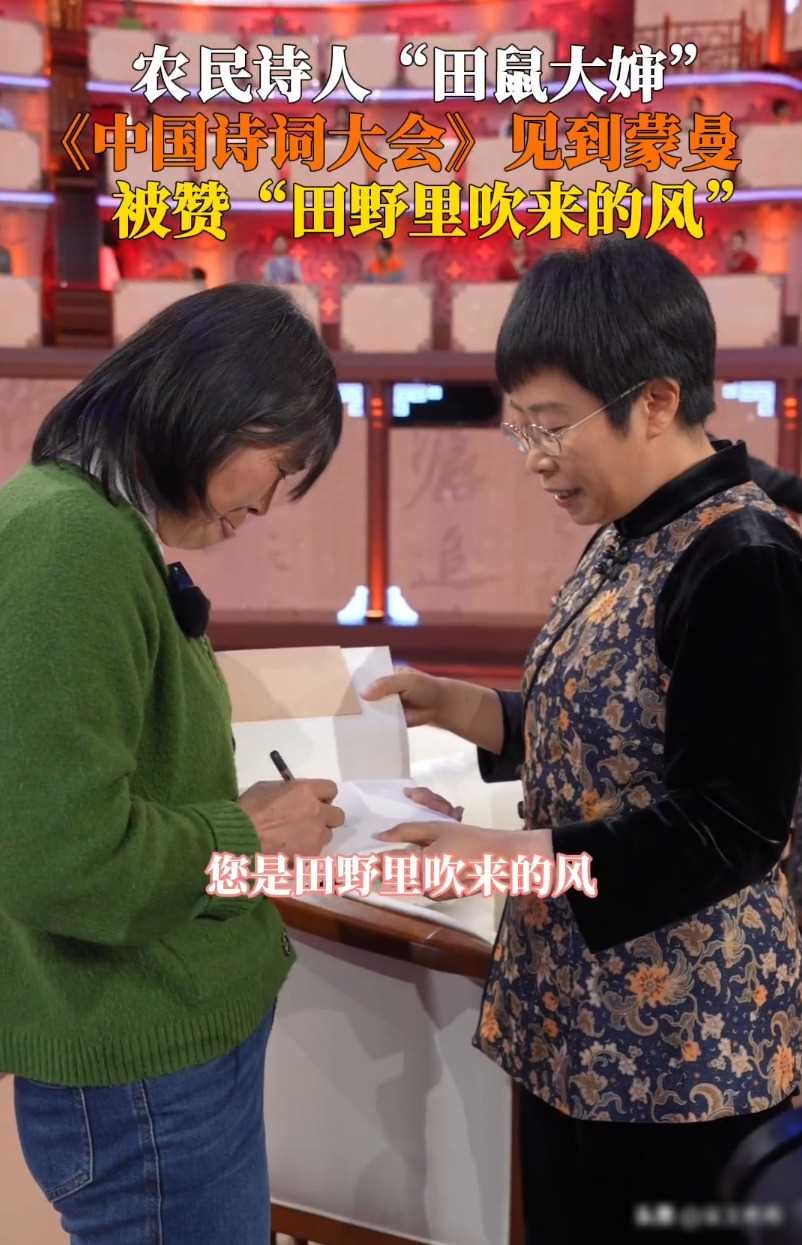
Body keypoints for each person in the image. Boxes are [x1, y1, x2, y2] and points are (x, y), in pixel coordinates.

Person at [364, 237, 802, 1243]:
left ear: (655, 401)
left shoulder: (744, 560)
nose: (534, 457)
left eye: (552, 425)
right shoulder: (630, 529)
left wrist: (505, 856)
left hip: (689, 1047)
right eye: (520, 428)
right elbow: (615, 728)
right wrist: (464, 707)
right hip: (581, 1021)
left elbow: (730, 824)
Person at [0, 283, 345, 1243]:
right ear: (214, 405)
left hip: (161, 1049)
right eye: (280, 466)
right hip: (140, 1066)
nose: (267, 504)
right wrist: (250, 832)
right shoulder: (69, 539)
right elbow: (62, 851)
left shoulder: (100, 528)